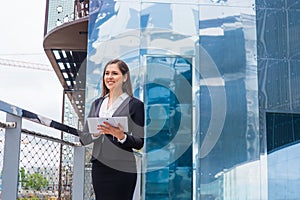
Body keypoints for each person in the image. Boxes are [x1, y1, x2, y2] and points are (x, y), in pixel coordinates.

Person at [78, 59, 145, 200]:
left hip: (123, 167)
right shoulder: (96, 104)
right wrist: (96, 133)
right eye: (107, 73)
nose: (109, 77)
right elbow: (83, 138)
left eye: (114, 73)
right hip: (99, 166)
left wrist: (121, 136)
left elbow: (139, 142)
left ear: (125, 77)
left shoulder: (135, 105)